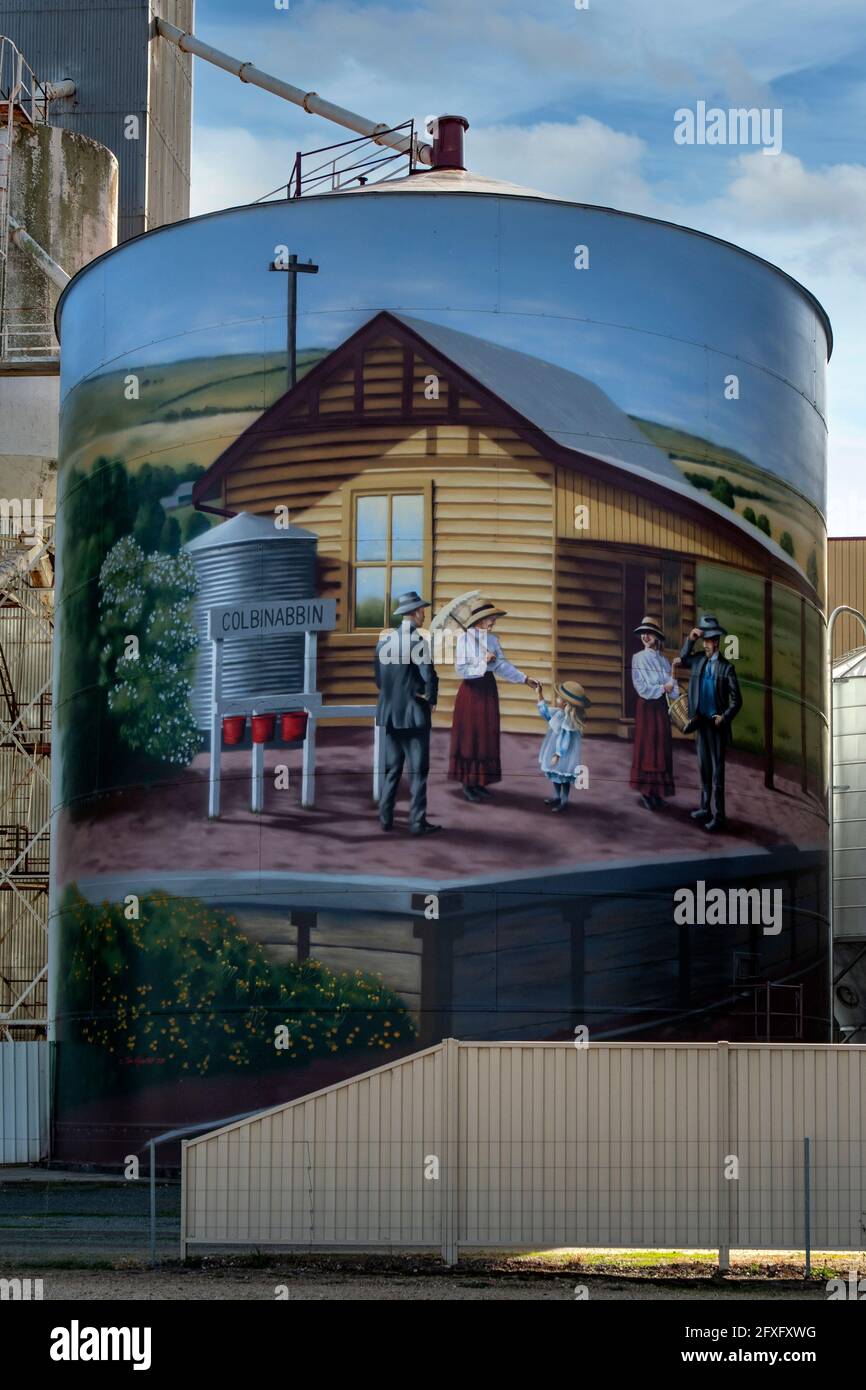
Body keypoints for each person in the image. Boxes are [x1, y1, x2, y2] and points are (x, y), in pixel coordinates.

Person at [448, 599, 540, 803]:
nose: (493, 623)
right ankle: (468, 784)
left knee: (485, 736)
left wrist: (525, 679)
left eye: (494, 619)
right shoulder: (465, 640)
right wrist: (483, 662)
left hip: (488, 691)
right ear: (479, 621)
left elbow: (503, 666)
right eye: (491, 619)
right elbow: (461, 670)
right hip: (471, 692)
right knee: (471, 736)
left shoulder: (492, 640)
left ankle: (480, 783)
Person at [374, 590, 441, 837]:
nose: (424, 614)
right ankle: (417, 822)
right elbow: (428, 675)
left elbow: (379, 680)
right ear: (414, 613)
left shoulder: (383, 641)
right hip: (414, 715)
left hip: (389, 712)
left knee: (392, 769)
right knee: (418, 771)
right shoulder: (418, 641)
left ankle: (385, 818)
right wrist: (431, 698)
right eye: (422, 610)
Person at [679, 613, 743, 833]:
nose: (706, 644)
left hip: (717, 726)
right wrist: (690, 639)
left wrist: (724, 716)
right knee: (704, 768)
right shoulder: (698, 660)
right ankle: (705, 808)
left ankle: (720, 815)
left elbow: (737, 700)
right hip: (700, 723)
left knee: (718, 773)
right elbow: (683, 658)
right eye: (704, 640)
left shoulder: (727, 669)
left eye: (709, 640)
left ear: (716, 642)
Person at [629, 616, 679, 811]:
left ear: (657, 637)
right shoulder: (638, 658)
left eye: (649, 633)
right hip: (647, 707)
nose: (645, 636)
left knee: (661, 747)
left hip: (660, 708)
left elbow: (672, 688)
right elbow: (641, 687)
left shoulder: (664, 661)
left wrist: (672, 674)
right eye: (643, 633)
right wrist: (662, 688)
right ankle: (646, 792)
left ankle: (658, 792)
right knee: (648, 747)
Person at [536, 679, 590, 813]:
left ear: (565, 702)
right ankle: (557, 796)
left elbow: (565, 738)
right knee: (555, 773)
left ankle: (564, 799)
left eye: (559, 698)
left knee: (563, 776)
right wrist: (539, 694)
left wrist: (558, 753)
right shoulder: (559, 713)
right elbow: (546, 713)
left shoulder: (569, 719)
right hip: (554, 746)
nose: (557, 699)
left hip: (564, 751)